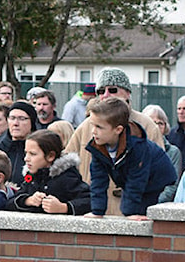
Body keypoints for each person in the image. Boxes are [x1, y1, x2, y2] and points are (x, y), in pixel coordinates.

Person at [64, 68, 164, 217]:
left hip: (134, 212)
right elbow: (67, 163)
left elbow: (159, 171)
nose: (105, 95)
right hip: (95, 210)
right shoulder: (86, 126)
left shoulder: (146, 126)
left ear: (127, 93)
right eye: (100, 91)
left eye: (112, 90)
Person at [84, 97, 175, 219]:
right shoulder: (98, 147)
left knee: (143, 208)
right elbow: (98, 180)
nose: (93, 131)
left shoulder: (137, 148)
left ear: (118, 129)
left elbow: (136, 181)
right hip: (133, 177)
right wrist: (97, 211)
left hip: (155, 177)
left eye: (99, 127)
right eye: (92, 125)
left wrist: (130, 213)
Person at [8, 130, 90, 215]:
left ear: (50, 156)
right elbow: (10, 203)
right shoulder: (31, 177)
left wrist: (63, 207)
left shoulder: (67, 177)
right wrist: (28, 200)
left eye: (32, 154)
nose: (26, 158)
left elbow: (89, 200)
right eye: (26, 153)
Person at [141, 104, 183, 203]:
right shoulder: (135, 149)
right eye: (151, 122)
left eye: (160, 123)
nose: (156, 127)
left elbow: (172, 186)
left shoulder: (173, 152)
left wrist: (152, 202)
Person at [0, 100, 37, 187]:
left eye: (22, 119)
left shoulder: (39, 153)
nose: (15, 123)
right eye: (12, 118)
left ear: (32, 122)